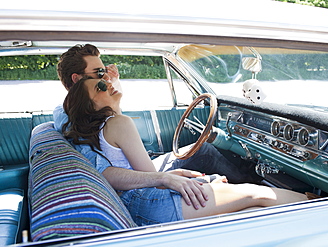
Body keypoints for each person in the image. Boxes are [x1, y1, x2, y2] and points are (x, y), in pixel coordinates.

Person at [62, 76, 308, 226]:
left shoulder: (100, 130)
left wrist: (184, 178)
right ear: (91, 106)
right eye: (100, 87)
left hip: (137, 205)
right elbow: (152, 178)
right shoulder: (119, 123)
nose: (108, 85)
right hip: (151, 202)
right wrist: (175, 179)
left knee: (252, 210)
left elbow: (127, 173)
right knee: (260, 193)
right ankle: (320, 202)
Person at [54, 44, 252, 184]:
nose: (105, 76)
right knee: (205, 151)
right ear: (76, 78)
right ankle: (256, 183)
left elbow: (112, 130)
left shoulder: (89, 108)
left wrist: (112, 87)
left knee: (200, 149)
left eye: (105, 70)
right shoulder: (66, 115)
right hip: (138, 178)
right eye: (98, 73)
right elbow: (100, 161)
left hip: (138, 169)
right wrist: (166, 178)